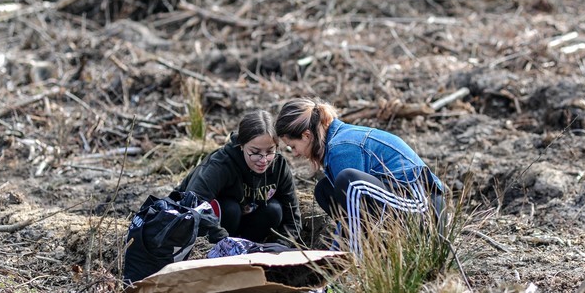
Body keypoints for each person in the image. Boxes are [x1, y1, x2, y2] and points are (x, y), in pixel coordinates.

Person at [275, 98, 443, 254]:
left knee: (349, 182)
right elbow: (351, 212)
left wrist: (334, 256)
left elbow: (350, 213)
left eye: (293, 147)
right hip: (398, 201)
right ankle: (376, 254)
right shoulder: (336, 140)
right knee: (324, 190)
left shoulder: (342, 147)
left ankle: (355, 261)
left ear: (306, 135)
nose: (295, 154)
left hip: (424, 210)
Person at [176, 110, 302, 245]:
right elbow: (192, 204)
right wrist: (225, 242)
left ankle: (250, 246)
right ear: (241, 145)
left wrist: (281, 246)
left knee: (274, 210)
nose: (263, 160)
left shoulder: (279, 165)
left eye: (270, 151)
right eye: (255, 152)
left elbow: (293, 217)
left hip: (249, 224)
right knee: (231, 209)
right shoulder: (220, 164)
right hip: (218, 224)